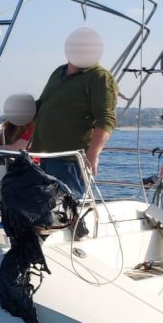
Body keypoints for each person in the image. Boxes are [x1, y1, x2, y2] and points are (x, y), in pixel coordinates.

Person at [28, 27, 118, 197]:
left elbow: (106, 119)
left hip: (69, 161)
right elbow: (43, 104)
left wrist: (93, 155)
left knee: (67, 212)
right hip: (42, 157)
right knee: (44, 212)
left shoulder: (99, 78)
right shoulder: (58, 72)